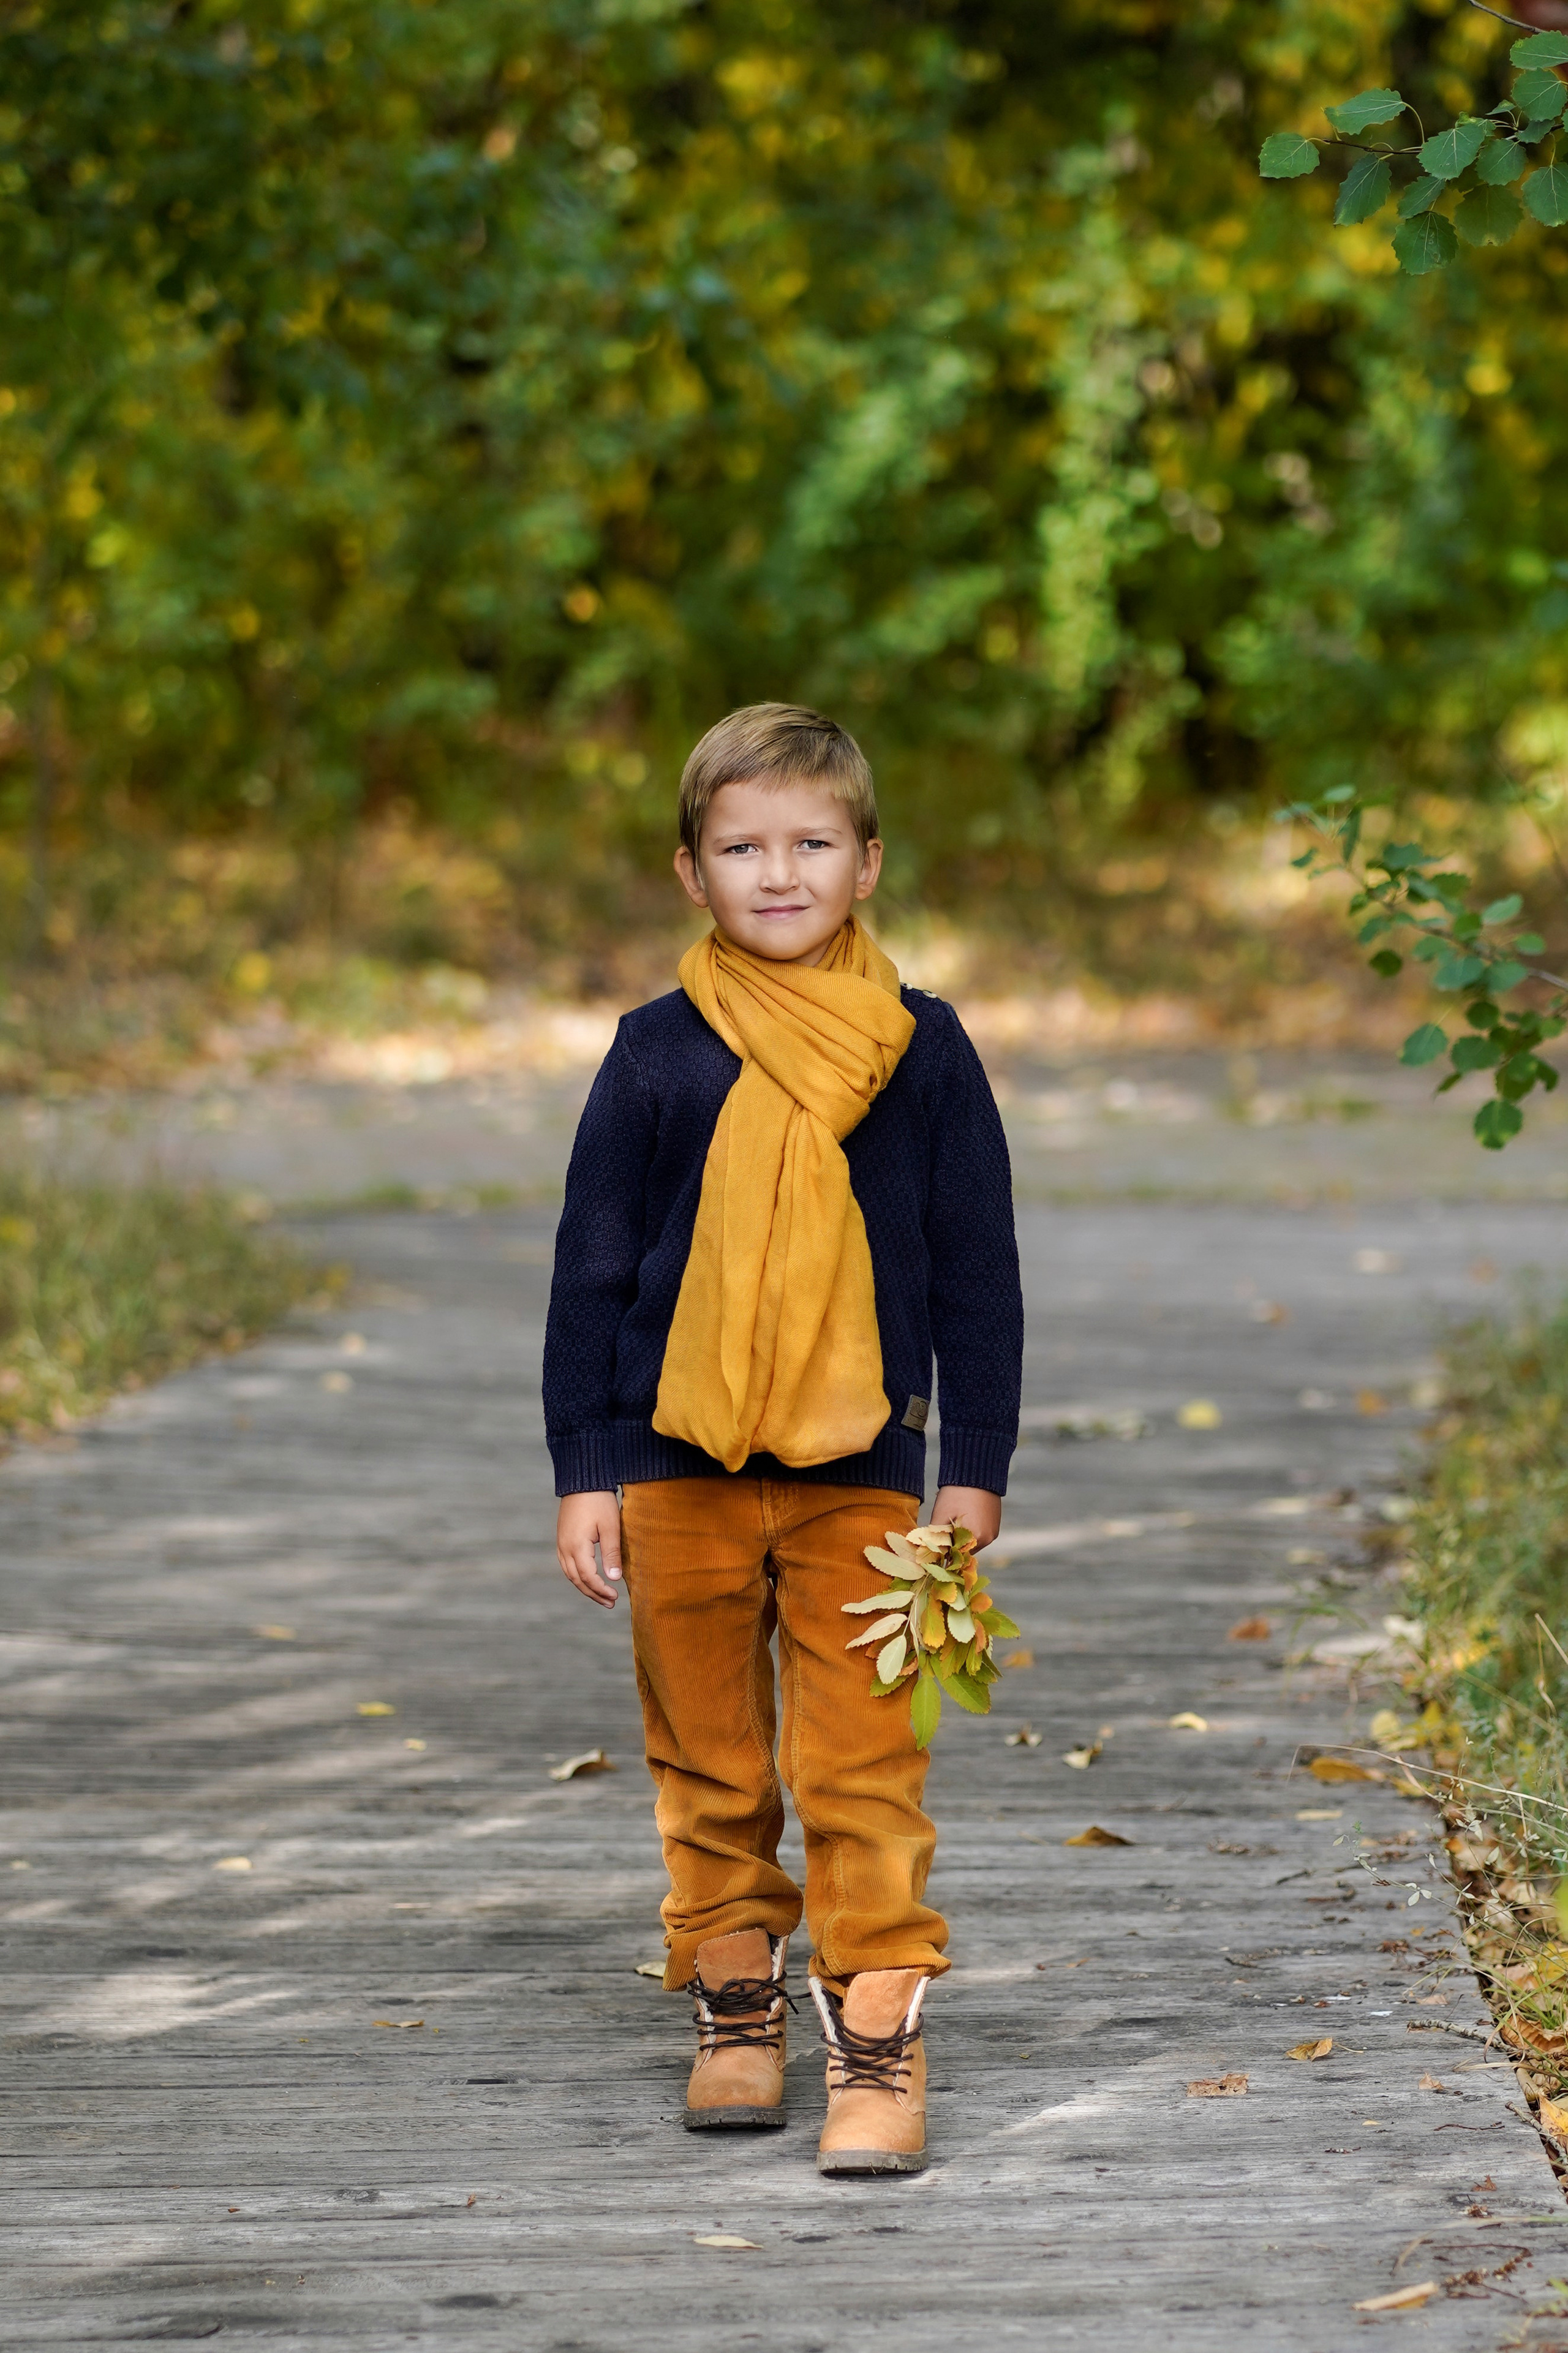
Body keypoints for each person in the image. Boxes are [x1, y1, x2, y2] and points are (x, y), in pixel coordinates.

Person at [543, 702, 1023, 2175]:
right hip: (675, 1460)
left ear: (866, 862)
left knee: (867, 1758)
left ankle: (875, 2032)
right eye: (740, 846)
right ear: (690, 872)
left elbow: (972, 1265)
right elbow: (592, 1267)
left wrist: (974, 1466)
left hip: (865, 1467)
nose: (777, 872)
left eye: (811, 843)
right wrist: (584, 1469)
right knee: (706, 1756)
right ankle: (735, 2002)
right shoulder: (651, 1056)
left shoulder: (920, 1051)